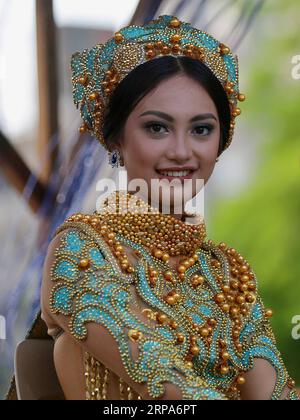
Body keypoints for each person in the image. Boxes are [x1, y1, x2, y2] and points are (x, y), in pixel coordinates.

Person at [11, 15, 300, 400]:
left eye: (201, 129)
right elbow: (167, 383)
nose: (182, 152)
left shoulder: (226, 272)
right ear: (115, 139)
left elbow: (273, 392)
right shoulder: (82, 251)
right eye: (157, 128)